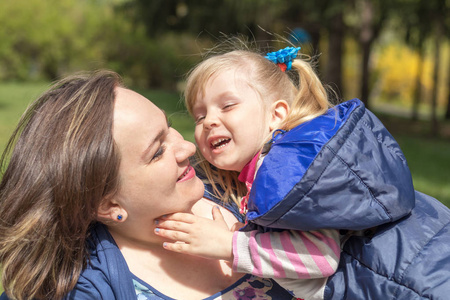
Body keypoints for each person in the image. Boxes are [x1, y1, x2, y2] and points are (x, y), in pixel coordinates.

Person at [154, 40, 450, 299]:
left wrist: (229, 245)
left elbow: (318, 257)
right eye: (199, 114)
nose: (208, 121)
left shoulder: (282, 170)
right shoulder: (292, 159)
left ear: (277, 114)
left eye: (227, 106)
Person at [0, 70, 296, 299]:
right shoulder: (90, 288)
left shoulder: (235, 182)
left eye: (169, 129)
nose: (187, 149)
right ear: (108, 205)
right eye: (157, 152)